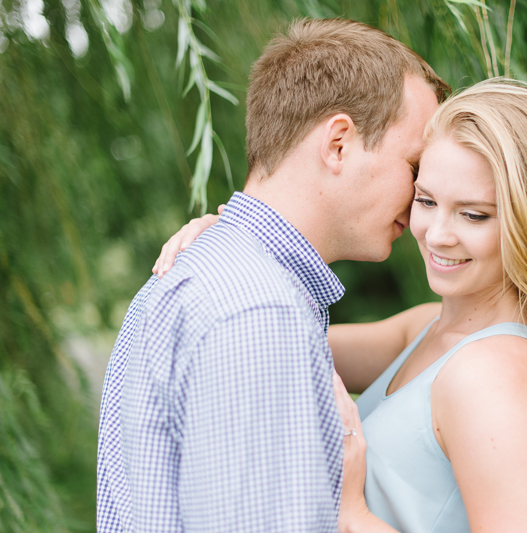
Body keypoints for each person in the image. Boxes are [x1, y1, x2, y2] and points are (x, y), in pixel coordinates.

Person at [155, 79, 527, 532]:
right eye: (425, 200)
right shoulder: (429, 328)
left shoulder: (489, 378)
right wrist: (233, 240)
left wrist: (355, 516)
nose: (436, 234)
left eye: (473, 214)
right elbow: (270, 340)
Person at [96, 18, 449, 532]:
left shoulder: (205, 276)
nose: (422, 199)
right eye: (414, 166)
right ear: (338, 144)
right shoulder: (258, 313)